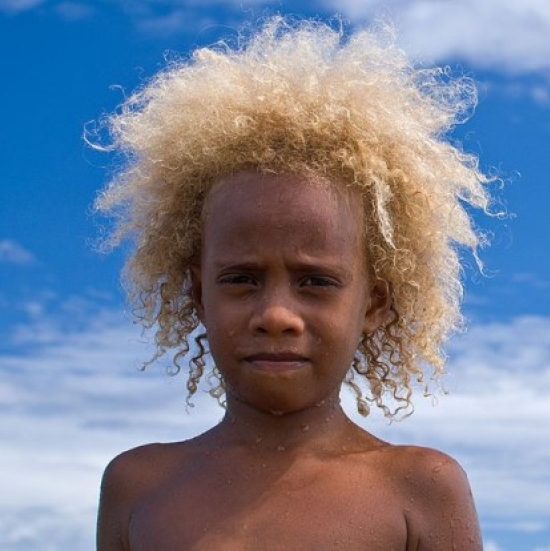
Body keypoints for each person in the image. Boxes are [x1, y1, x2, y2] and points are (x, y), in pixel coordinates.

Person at [93, 15, 494, 550]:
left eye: (315, 281)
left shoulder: (419, 489)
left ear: (374, 304)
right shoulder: (139, 486)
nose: (276, 315)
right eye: (241, 278)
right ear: (197, 296)